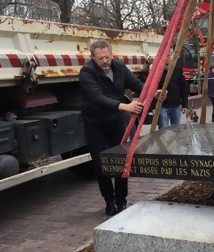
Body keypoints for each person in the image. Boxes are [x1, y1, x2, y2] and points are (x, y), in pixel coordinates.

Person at [79, 40, 145, 216]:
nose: (105, 61)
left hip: (116, 122)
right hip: (95, 124)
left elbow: (136, 84)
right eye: (101, 59)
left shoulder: (119, 67)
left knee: (121, 162)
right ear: (93, 57)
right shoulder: (87, 73)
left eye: (108, 57)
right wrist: (125, 107)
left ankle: (121, 200)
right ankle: (109, 200)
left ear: (112, 55)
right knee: (101, 164)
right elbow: (96, 97)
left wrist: (154, 91)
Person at [156, 58, 189, 129]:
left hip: (176, 105)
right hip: (162, 105)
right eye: (166, 56)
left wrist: (184, 104)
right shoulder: (158, 70)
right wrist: (153, 106)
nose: (167, 58)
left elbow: (184, 87)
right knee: (163, 131)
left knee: (176, 130)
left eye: (169, 55)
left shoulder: (177, 69)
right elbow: (153, 89)